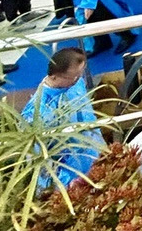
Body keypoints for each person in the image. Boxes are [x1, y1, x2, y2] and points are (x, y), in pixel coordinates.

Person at [21, 48, 102, 191]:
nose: (78, 79)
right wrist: (64, 184)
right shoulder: (37, 112)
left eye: (80, 73)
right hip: (70, 179)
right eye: (74, 77)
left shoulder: (75, 83)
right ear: (54, 77)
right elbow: (39, 159)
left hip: (95, 157)